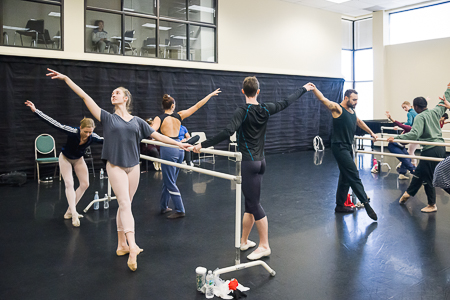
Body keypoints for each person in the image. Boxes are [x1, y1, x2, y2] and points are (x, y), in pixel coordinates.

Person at [45, 68, 190, 271]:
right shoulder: (107, 117)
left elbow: (157, 137)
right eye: (112, 93)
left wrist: (179, 144)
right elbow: (85, 97)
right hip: (115, 166)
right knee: (124, 203)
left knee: (126, 206)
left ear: (126, 98)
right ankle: (132, 247)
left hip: (134, 167)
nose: (113, 94)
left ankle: (121, 245)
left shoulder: (138, 121)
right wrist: (67, 79)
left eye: (117, 92)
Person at [194, 76, 314, 260]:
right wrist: (304, 89)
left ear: (243, 91)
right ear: (258, 91)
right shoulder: (265, 109)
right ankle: (244, 241)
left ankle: (265, 245)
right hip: (261, 162)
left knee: (254, 204)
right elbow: (286, 102)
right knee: (250, 205)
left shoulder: (242, 111)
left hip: (249, 163)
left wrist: (203, 145)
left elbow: (228, 132)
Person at [25, 100, 103, 227]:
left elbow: (107, 140)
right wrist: (36, 111)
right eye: (86, 132)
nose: (88, 134)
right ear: (80, 128)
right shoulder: (72, 131)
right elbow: (53, 123)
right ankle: (74, 213)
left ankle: (68, 212)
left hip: (78, 159)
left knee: (85, 184)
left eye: (90, 132)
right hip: (65, 158)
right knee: (69, 183)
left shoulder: (93, 136)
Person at [311, 86, 378, 221]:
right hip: (339, 147)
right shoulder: (337, 109)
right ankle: (365, 202)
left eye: (357, 100)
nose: (356, 102)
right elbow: (323, 99)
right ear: (346, 98)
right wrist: (313, 89)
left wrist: (371, 132)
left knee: (345, 176)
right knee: (353, 173)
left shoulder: (351, 110)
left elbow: (358, 122)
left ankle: (340, 206)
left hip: (347, 147)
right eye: (354, 100)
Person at [152, 90, 221, 219]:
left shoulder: (159, 118)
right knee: (169, 180)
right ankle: (163, 206)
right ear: (173, 106)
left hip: (169, 148)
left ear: (163, 106)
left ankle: (179, 209)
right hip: (179, 149)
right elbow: (197, 105)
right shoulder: (179, 115)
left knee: (169, 181)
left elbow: (151, 131)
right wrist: (209, 95)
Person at [387, 84, 449, 213]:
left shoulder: (419, 117)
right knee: (420, 171)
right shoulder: (435, 111)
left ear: (415, 107)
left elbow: (414, 134)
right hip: (440, 148)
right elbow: (444, 101)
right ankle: (408, 193)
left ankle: (432, 204)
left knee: (429, 177)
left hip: (430, 149)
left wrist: (396, 139)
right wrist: (448, 89)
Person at [385, 111, 416, 180]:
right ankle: (415, 171)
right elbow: (400, 124)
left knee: (408, 158)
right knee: (405, 159)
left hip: (401, 146)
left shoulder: (418, 133)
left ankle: (402, 174)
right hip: (394, 145)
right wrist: (390, 118)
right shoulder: (409, 128)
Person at [402, 101, 419, 165]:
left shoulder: (409, 113)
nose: (404, 109)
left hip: (414, 133)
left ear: (409, 105)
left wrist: (402, 125)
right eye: (403, 108)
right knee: (410, 150)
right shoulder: (415, 111)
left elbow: (409, 122)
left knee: (410, 151)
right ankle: (402, 163)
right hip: (418, 132)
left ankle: (414, 165)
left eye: (405, 107)